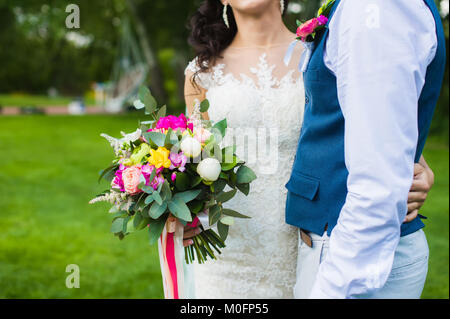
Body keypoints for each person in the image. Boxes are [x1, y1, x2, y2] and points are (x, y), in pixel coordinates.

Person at [183, 0, 436, 299]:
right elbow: (194, 161)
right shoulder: (199, 74)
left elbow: (378, 126)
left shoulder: (323, 50)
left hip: (311, 244)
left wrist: (419, 169)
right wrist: (181, 210)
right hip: (229, 252)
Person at [286, 0, 446, 298]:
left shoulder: (374, 7)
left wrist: (332, 288)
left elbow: (378, 184)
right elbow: (381, 122)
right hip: (336, 241)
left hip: (351, 255)